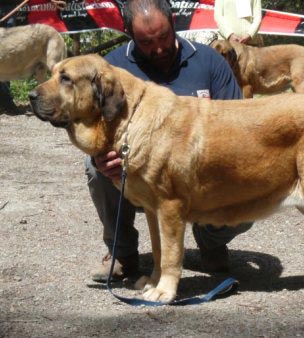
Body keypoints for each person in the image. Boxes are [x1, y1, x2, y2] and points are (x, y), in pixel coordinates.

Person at [87, 0, 253, 283]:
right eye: (146, 42)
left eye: (163, 36)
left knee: (248, 182)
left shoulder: (209, 60)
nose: (159, 48)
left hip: (201, 176)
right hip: (138, 176)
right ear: (129, 34)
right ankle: (123, 254)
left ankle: (211, 242)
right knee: (96, 171)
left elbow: (238, 126)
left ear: (174, 22)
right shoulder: (112, 69)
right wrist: (100, 158)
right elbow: (97, 128)